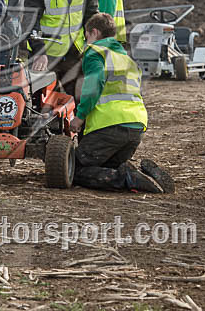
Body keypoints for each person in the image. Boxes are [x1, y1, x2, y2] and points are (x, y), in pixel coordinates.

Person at [68, 14, 174, 193]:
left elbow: (93, 86)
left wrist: (79, 117)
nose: (86, 40)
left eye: (86, 35)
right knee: (106, 166)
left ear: (94, 32)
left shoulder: (95, 52)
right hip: (136, 127)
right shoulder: (128, 60)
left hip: (110, 126)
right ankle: (143, 175)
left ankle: (127, 178)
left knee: (72, 168)